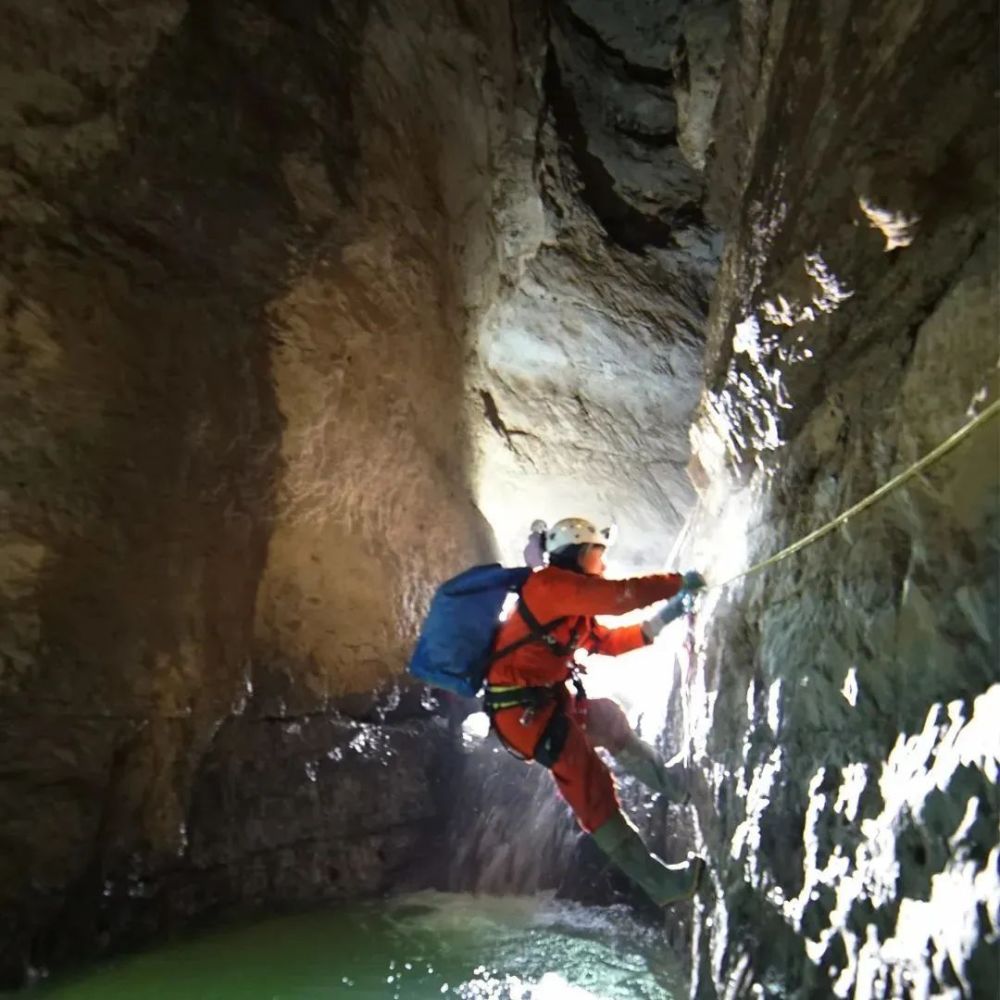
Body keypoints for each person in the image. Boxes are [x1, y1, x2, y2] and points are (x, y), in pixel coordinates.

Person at [484, 516, 706, 906]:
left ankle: (674, 786)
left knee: (608, 718)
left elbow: (611, 642)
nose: (602, 564)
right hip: (523, 713)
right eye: (599, 554)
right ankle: (661, 884)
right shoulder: (550, 587)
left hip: (542, 702)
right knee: (592, 789)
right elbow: (620, 596)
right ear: (583, 552)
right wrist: (676, 581)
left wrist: (667, 615)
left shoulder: (571, 607)